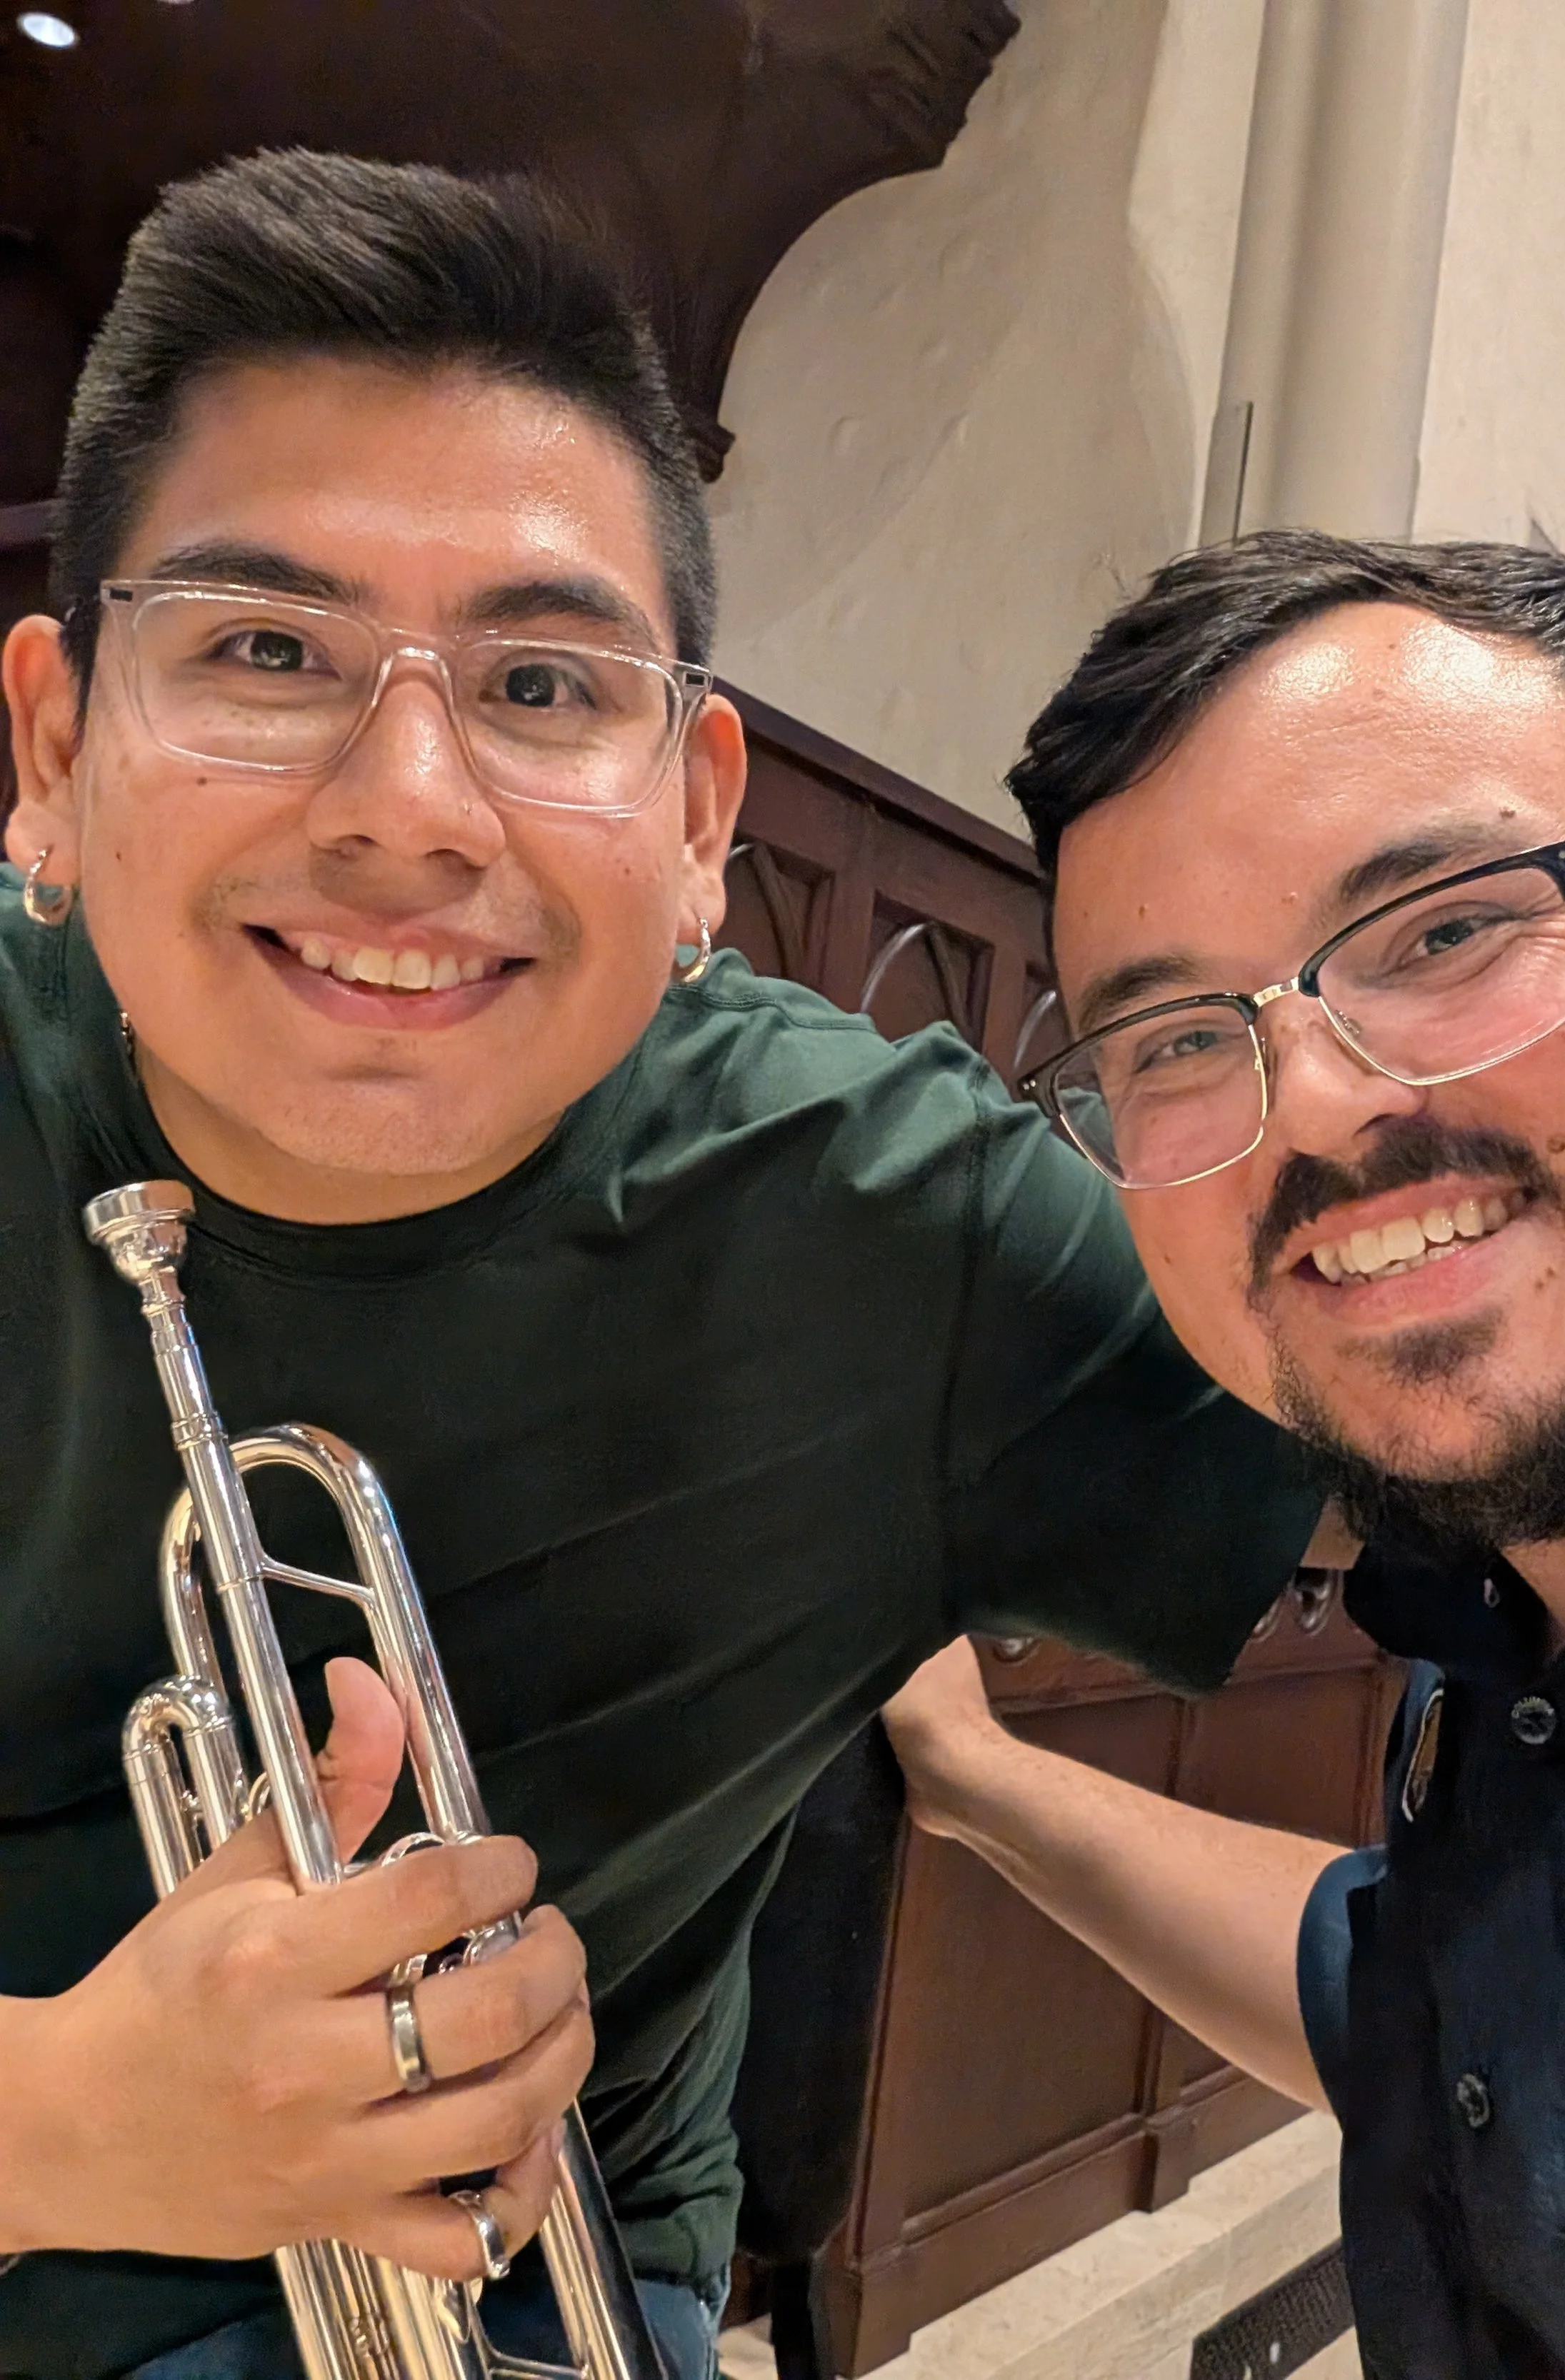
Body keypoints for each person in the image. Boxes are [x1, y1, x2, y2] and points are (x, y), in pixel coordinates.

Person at [0, 154, 1324, 2380]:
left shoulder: (900, 1226)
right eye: (262, 650)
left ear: (701, 813)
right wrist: (51, 2124)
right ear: (50, 746)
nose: (407, 804)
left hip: (525, 2294)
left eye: (538, 682)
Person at [884, 531, 1565, 2380]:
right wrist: (967, 1769)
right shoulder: (1503, 1604)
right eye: (1168, 1037)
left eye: (1446, 929)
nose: (1314, 1106)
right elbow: (1432, 2007)